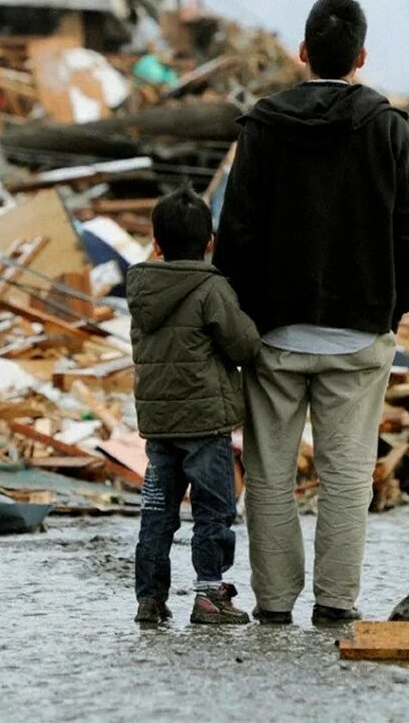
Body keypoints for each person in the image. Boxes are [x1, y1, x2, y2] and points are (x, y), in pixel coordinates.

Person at [214, 0, 409, 627]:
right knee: (347, 477)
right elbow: (408, 232)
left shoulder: (262, 128)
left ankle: (274, 603)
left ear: (303, 53)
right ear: (361, 56)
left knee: (272, 477)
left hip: (275, 335)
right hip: (359, 336)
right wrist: (392, 309)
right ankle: (336, 604)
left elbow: (237, 234)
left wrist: (241, 319)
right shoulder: (390, 129)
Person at [127, 189, 261, 626]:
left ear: (157, 243)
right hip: (205, 424)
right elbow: (243, 345)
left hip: (159, 425)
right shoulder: (211, 288)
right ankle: (208, 594)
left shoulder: (142, 289)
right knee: (213, 511)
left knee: (157, 514)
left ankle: (149, 599)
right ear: (209, 242)